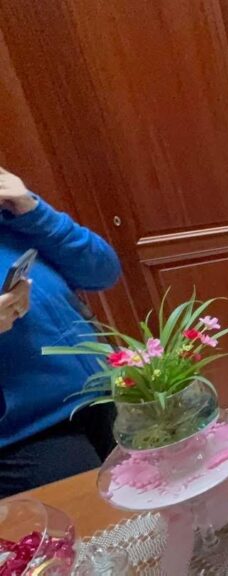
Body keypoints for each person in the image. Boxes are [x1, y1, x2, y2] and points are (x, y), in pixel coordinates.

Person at [0, 167, 122, 497]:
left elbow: (103, 272)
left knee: (140, 507)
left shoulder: (14, 217)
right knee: (88, 521)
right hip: (27, 435)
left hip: (98, 397)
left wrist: (34, 211)